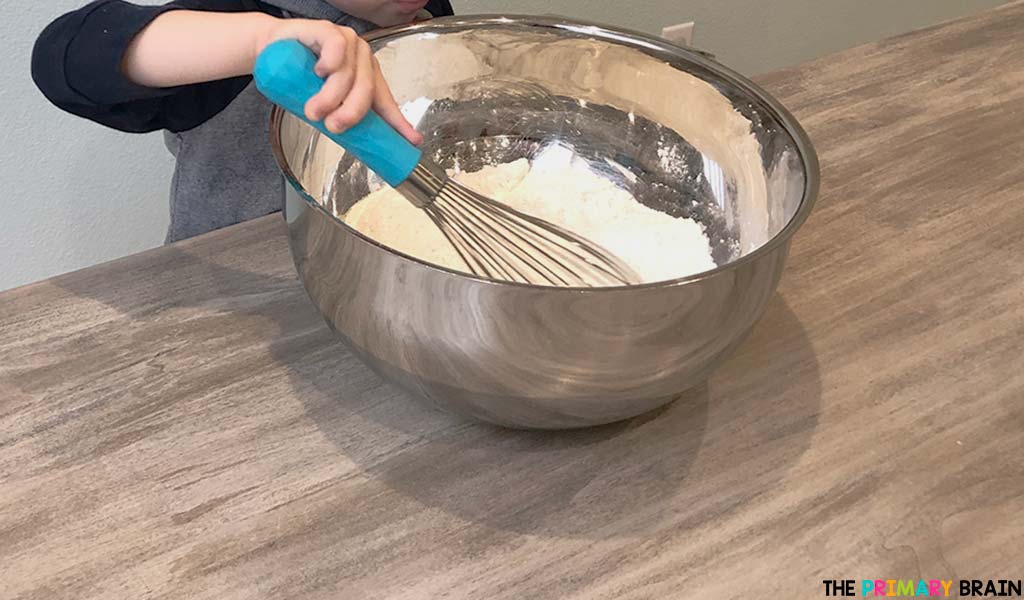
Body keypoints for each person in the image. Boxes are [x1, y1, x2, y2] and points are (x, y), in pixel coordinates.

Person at [32, 0, 454, 242]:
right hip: (228, 314)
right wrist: (255, 41)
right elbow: (62, 56)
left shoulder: (421, 13)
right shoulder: (229, 20)